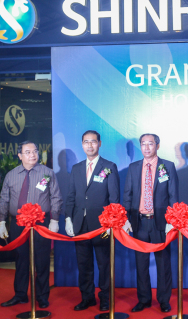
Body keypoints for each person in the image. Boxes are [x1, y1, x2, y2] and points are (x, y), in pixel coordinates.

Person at [0, 140, 62, 309]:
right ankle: (20, 295)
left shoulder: (47, 173)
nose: (32, 155)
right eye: (28, 152)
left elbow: (55, 197)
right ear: (20, 156)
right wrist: (1, 221)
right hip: (18, 223)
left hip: (41, 223)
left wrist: (54, 219)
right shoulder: (11, 175)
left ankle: (42, 296)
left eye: (34, 151)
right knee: (20, 260)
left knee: (41, 260)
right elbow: (4, 199)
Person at [64, 130, 119, 311]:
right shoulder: (77, 168)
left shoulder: (109, 166)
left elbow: (114, 199)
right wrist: (68, 219)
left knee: (104, 265)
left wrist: (111, 223)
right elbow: (71, 196)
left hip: (102, 226)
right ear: (82, 145)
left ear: (99, 143)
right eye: (86, 142)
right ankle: (87, 297)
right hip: (80, 224)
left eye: (93, 142)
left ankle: (105, 299)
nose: (90, 145)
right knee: (84, 264)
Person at [123, 133, 178, 313]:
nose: (146, 148)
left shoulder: (167, 166)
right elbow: (128, 195)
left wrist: (172, 219)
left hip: (160, 222)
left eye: (150, 144)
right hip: (139, 222)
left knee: (163, 264)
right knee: (141, 263)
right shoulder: (133, 167)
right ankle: (144, 299)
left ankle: (163, 300)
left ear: (158, 146)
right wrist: (125, 219)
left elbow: (173, 196)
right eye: (143, 144)